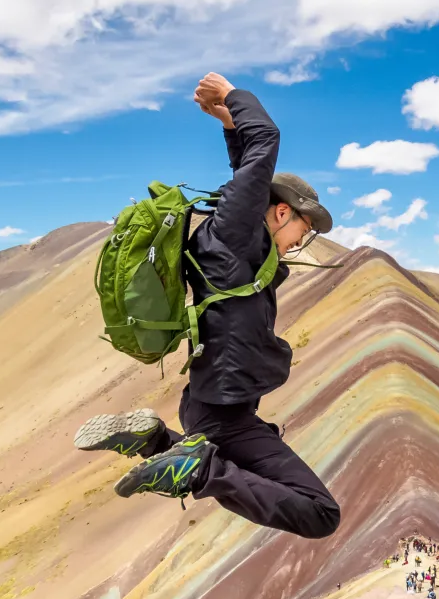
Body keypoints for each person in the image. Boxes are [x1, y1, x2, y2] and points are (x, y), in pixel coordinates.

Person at [73, 73, 340, 540]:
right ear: (282, 212)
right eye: (305, 226)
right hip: (224, 407)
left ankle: (153, 442)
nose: (304, 238)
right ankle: (192, 470)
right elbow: (266, 145)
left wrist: (229, 125)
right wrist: (234, 97)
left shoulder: (236, 238)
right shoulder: (235, 233)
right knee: (320, 514)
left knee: (232, 462)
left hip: (211, 401)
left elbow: (246, 173)